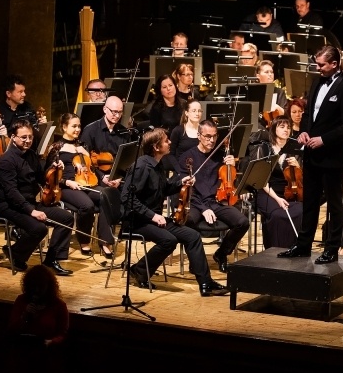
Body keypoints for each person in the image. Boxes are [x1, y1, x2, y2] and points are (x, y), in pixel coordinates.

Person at [121, 128, 227, 295]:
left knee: (192, 236)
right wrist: (154, 216)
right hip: (137, 220)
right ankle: (140, 270)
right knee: (169, 240)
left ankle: (206, 283)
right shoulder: (141, 166)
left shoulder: (158, 164)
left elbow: (162, 190)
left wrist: (180, 183)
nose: (170, 142)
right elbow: (127, 198)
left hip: (152, 219)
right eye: (166, 140)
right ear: (156, 147)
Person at [277, 45, 343, 264]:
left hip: (332, 156)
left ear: (334, 64)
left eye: (321, 64)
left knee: (334, 204)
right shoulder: (316, 82)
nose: (318, 67)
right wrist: (304, 131)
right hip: (311, 155)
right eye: (317, 63)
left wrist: (324, 139)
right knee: (309, 202)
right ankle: (303, 245)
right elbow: (308, 114)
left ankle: (332, 248)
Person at [0, 119, 74, 275]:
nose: (28, 141)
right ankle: (15, 253)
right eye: (23, 137)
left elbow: (41, 178)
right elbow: (12, 193)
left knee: (66, 218)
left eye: (30, 137)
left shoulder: (31, 155)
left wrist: (53, 169)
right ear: (13, 137)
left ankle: (51, 259)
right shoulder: (6, 160)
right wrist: (32, 211)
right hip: (10, 206)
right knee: (39, 228)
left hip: (30, 203)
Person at [177, 119, 250, 272]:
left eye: (214, 136)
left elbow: (230, 178)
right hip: (196, 202)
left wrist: (232, 165)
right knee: (188, 221)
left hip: (216, 201)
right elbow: (188, 190)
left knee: (242, 222)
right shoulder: (187, 157)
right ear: (199, 135)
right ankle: (195, 261)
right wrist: (203, 208)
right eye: (207, 136)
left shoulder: (221, 155)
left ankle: (221, 254)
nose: (211, 140)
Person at [51, 113, 115, 259]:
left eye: (79, 126)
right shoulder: (56, 148)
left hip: (87, 182)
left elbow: (91, 168)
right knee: (87, 205)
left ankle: (105, 241)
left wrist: (103, 178)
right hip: (66, 187)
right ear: (64, 127)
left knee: (106, 195)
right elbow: (48, 174)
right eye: (74, 126)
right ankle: (84, 239)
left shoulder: (82, 145)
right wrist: (67, 182)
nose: (78, 129)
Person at [247, 116, 303, 249]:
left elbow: (301, 178)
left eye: (288, 127)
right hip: (267, 192)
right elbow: (261, 180)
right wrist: (277, 199)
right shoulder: (264, 149)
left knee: (300, 210)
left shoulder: (295, 149)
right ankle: (273, 250)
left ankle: (293, 249)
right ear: (274, 129)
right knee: (278, 215)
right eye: (282, 127)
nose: (286, 130)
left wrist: (299, 167)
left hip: (289, 191)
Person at [79, 95, 129, 190]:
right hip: (97, 177)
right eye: (114, 112)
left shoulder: (124, 132)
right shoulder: (90, 130)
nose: (117, 116)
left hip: (118, 178)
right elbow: (85, 159)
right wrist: (102, 177)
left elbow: (126, 160)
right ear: (105, 109)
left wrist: (118, 178)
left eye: (120, 112)